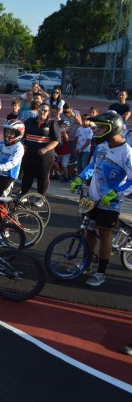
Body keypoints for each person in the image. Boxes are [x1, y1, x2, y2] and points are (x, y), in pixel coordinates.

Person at [70, 110, 132, 287]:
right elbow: (91, 166)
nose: (96, 130)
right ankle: (87, 263)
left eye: (100, 128)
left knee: (105, 234)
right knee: (89, 231)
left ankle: (101, 273)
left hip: (110, 202)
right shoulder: (101, 147)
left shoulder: (127, 152)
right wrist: (81, 178)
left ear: (113, 128)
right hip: (93, 197)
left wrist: (116, 191)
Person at [20, 103, 61, 196]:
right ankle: (23, 194)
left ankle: (41, 197)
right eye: (40, 109)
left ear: (49, 112)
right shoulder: (29, 121)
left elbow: (56, 140)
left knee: (42, 177)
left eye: (45, 110)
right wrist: (22, 144)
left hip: (45, 156)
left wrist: (45, 149)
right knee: (27, 175)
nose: (42, 112)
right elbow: (21, 135)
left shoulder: (52, 124)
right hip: (29, 153)